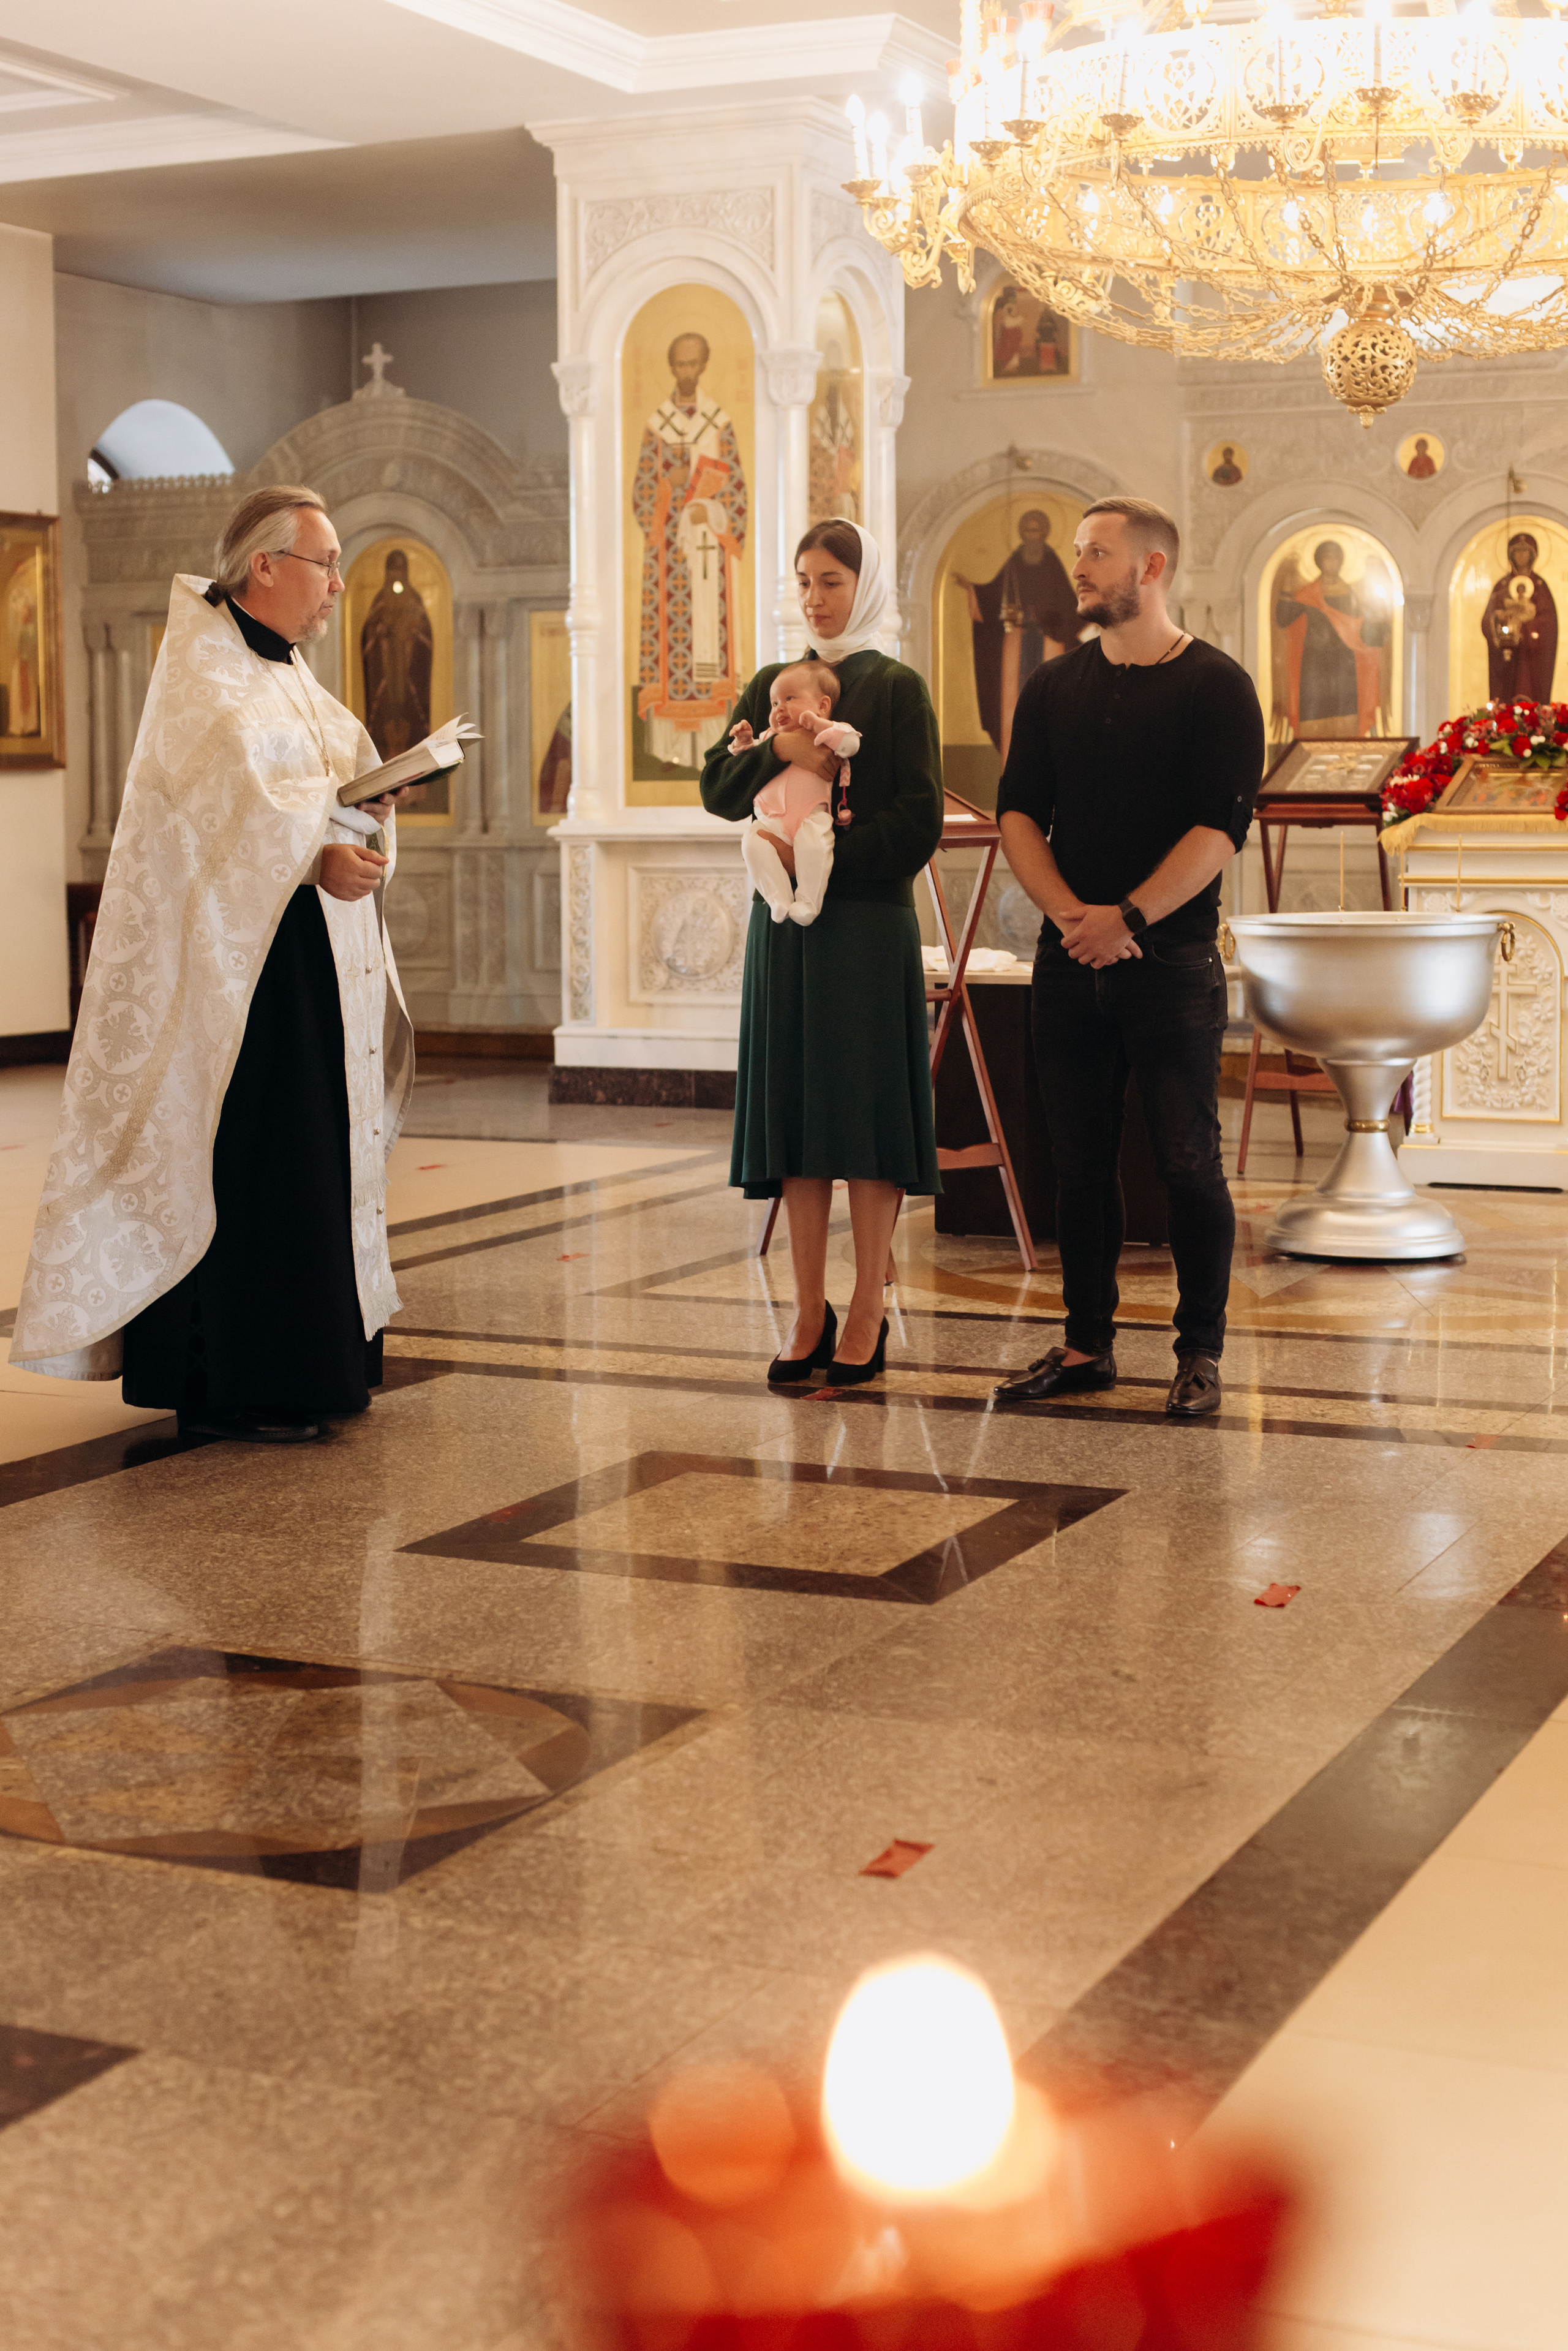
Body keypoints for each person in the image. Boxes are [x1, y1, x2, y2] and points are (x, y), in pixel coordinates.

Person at [9, 485, 414, 1444]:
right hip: (228, 985)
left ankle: (313, 1367)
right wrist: (314, 850)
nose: (335, 586)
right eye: (323, 563)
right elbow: (208, 822)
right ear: (263, 566)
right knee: (256, 1156)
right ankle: (242, 1378)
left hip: (300, 958)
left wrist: (369, 807)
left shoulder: (287, 673)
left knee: (306, 1154)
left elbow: (320, 785)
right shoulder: (205, 674)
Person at [992, 496, 1264, 1417]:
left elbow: (1219, 829)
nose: (1080, 568)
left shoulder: (1216, 686)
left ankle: (1200, 1352)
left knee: (1188, 1160)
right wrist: (1074, 914)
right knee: (1076, 1162)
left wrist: (1131, 916)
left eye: (1098, 553)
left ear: (1151, 568)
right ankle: (1085, 1345)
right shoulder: (1053, 687)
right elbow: (1020, 812)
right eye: (1078, 552)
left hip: (1173, 964)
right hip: (1070, 959)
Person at [701, 521, 943, 1386]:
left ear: (865, 584)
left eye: (832, 580)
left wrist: (829, 864)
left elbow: (918, 821)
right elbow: (716, 788)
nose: (814, 596)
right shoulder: (774, 685)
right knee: (800, 1118)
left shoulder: (895, 687)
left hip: (866, 926)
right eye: (803, 580)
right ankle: (809, 1310)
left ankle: (869, 1308)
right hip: (785, 932)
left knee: (866, 1119)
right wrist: (777, 746)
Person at [633, 331, 748, 771]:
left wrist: (713, 514)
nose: (686, 372)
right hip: (668, 562)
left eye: (693, 364)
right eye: (679, 365)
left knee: (709, 644)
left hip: (710, 562)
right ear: (671, 368)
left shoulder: (719, 423)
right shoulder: (657, 425)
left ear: (703, 366)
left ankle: (714, 747)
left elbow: (736, 490)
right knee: (671, 643)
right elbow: (642, 494)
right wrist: (669, 486)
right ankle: (669, 751)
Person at [731, 659, 859, 926]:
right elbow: (746, 759)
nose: (780, 709)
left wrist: (819, 724)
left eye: (789, 698)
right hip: (772, 820)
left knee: (814, 847)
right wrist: (744, 742)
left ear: (822, 706)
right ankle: (778, 898)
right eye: (775, 703)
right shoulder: (769, 738)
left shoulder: (825, 734)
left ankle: (809, 903)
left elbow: (850, 744)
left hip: (811, 817)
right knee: (752, 843)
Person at [959, 510, 1080, 763]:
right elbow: (994, 596)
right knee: (1012, 699)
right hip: (1017, 640)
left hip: (1049, 641)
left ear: (1045, 533)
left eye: (1037, 531)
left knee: (1050, 698)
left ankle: (1051, 760)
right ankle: (1014, 763)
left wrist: (1046, 617)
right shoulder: (1014, 562)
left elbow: (1069, 605)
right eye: (1027, 531)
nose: (1032, 536)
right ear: (1021, 534)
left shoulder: (1052, 563)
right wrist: (973, 589)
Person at [1274, 540, 1387, 738]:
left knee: (1347, 709)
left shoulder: (1355, 594)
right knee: (1313, 709)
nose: (1332, 562)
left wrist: (1379, 616)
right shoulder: (1308, 594)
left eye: (1336, 557)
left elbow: (1370, 633)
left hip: (1346, 665)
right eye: (1328, 557)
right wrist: (1285, 590)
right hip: (1314, 664)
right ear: (1319, 561)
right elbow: (1284, 620)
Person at [360, 546, 434, 758]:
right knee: (383, 715)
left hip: (409, 674)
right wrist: (383, 630)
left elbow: (426, 639)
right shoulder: (379, 602)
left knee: (412, 714)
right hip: (385, 673)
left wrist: (412, 631)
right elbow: (368, 638)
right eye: (392, 570)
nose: (396, 575)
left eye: (400, 569)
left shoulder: (415, 601)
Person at [1483, 532, 1558, 702]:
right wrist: (1501, 622)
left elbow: (1550, 622)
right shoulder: (1502, 586)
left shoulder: (1540, 587)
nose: (1521, 555)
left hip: (1533, 657)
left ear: (1533, 555)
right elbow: (1488, 619)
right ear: (1511, 555)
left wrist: (1526, 628)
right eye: (1517, 551)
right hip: (1506, 656)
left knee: (1530, 692)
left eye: (1525, 551)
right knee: (1505, 696)